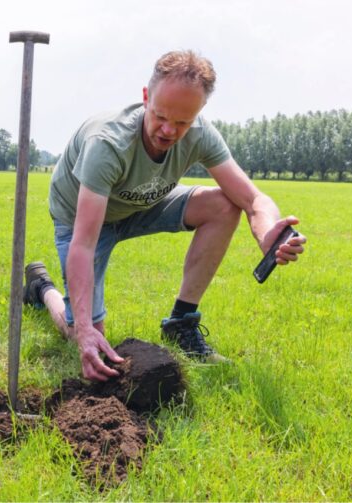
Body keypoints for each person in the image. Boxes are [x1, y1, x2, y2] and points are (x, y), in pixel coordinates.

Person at [24, 50, 306, 382]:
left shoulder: (201, 134)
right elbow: (84, 245)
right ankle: (43, 289)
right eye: (160, 116)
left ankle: (181, 323)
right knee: (85, 335)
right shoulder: (108, 143)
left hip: (142, 201)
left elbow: (252, 198)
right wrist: (85, 328)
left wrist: (268, 232)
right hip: (83, 217)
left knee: (224, 203)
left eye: (183, 122)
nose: (169, 130)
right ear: (146, 97)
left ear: (199, 113)